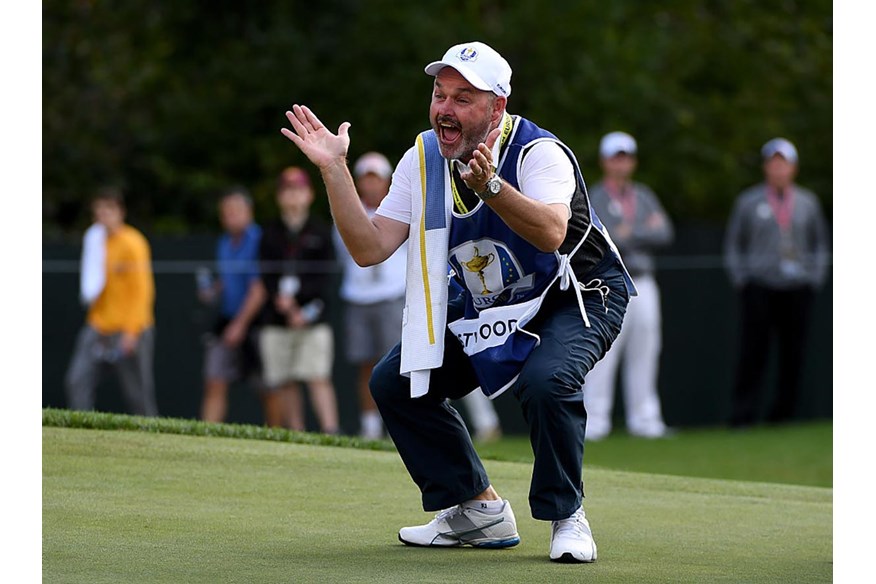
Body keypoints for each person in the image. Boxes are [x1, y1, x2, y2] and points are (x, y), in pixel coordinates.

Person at [280, 40, 636, 563]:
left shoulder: (539, 153)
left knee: (546, 381)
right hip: (493, 304)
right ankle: (477, 510)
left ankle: (568, 515)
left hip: (579, 295)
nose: (445, 108)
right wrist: (335, 171)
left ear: (497, 108)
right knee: (394, 382)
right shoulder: (423, 157)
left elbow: (552, 233)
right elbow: (368, 247)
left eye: (463, 98)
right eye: (439, 94)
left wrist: (492, 186)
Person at [723, 138, 830, 427]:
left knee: (793, 353)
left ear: (793, 168)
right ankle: (743, 416)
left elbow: (821, 243)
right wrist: (742, 280)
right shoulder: (748, 201)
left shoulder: (807, 202)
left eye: (784, 163)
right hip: (759, 286)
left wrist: (814, 277)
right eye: (773, 163)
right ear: (766, 167)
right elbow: (734, 244)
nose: (778, 168)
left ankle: (784, 415)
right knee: (753, 353)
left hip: (797, 288)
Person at [582, 132, 674, 440]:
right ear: (605, 161)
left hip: (645, 281)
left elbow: (664, 233)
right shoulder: (596, 195)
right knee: (604, 352)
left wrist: (628, 232)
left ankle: (646, 420)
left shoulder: (643, 194)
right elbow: (603, 237)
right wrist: (640, 231)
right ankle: (595, 421)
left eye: (626, 157)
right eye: (615, 157)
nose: (621, 163)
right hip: (610, 283)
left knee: (646, 349)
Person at [258, 166, 340, 433]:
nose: (293, 196)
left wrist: (301, 308)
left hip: (314, 317)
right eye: (287, 190)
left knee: (317, 375)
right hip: (277, 317)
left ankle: (331, 432)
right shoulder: (269, 233)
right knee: (284, 379)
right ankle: (297, 434)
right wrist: (283, 304)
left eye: (298, 190)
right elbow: (266, 276)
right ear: (279, 196)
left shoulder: (321, 230)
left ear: (309, 195)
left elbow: (325, 277)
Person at [65, 187, 158, 416]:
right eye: (99, 211)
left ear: (120, 211)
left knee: (138, 393)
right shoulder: (95, 242)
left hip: (130, 328)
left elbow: (142, 291)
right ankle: (81, 434)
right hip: (99, 324)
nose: (103, 216)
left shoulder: (133, 242)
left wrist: (131, 331)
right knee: (77, 380)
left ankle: (151, 440)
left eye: (109, 209)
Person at [197, 187, 267, 424]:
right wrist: (214, 289)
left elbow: (258, 290)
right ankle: (206, 436)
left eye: (236, 211)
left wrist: (240, 325)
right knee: (214, 379)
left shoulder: (259, 239)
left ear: (249, 212)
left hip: (256, 324)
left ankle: (278, 437)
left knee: (266, 387)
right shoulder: (224, 243)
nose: (230, 216)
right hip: (227, 320)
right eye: (225, 212)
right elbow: (229, 279)